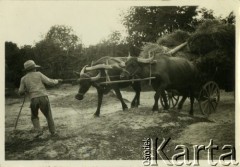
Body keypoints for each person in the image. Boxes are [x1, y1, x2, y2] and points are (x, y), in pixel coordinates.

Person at [18, 60, 62, 138]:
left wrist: (25, 90)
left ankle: (38, 131)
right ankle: (53, 132)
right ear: (34, 68)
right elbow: (49, 82)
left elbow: (20, 91)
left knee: (34, 116)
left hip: (33, 99)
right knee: (48, 115)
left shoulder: (23, 78)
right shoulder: (38, 74)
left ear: (27, 70)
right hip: (43, 97)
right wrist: (57, 81)